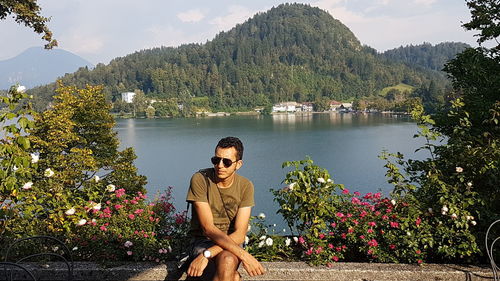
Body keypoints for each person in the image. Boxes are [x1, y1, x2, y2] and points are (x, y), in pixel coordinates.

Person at [185, 136, 265, 281]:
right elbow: (207, 228)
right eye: (216, 160)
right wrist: (245, 256)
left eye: (226, 162)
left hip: (232, 242)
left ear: (238, 164)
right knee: (231, 274)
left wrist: (207, 255)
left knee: (227, 260)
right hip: (203, 241)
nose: (220, 165)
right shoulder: (200, 179)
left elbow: (240, 234)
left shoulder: (245, 186)